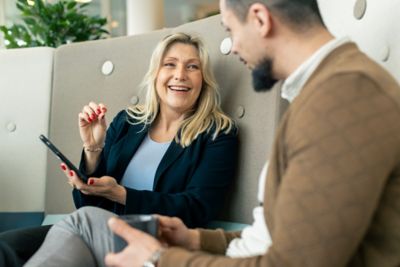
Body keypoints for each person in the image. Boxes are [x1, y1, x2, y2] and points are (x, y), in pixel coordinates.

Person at [24, 0, 400, 266]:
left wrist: (160, 257)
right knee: (55, 232)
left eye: (230, 30)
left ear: (260, 19)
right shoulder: (321, 92)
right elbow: (273, 240)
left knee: (84, 225)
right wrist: (195, 239)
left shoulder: (342, 97)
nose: (232, 48)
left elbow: (295, 262)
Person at [1, 32, 238, 266]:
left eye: (192, 67)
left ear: (204, 79)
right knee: (6, 245)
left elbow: (196, 208)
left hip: (154, 244)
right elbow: (89, 206)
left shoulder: (217, 134)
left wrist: (121, 194)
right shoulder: (127, 122)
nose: (180, 75)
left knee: (82, 221)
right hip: (97, 229)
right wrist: (93, 149)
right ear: (156, 73)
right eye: (170, 64)